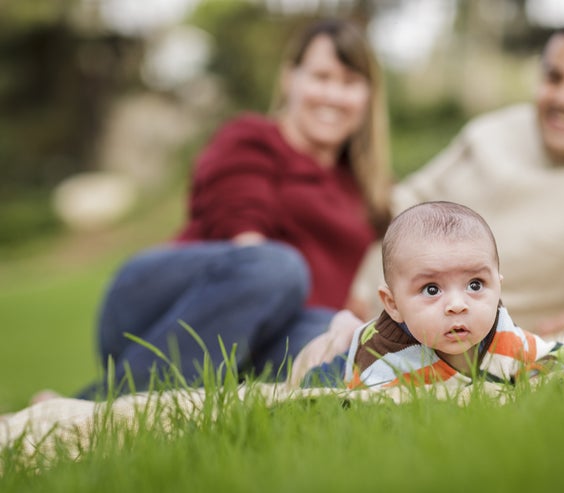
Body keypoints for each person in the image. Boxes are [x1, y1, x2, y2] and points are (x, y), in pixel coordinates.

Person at [74, 18, 393, 399]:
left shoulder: (365, 188)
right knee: (278, 266)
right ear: (290, 79)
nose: (332, 95)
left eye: (349, 83)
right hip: (164, 309)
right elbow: (247, 243)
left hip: (266, 336)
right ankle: (90, 406)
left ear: (368, 96)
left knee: (349, 344)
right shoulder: (252, 139)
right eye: (321, 77)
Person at [350, 18, 564, 337]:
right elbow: (405, 200)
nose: (562, 98)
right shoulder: (491, 132)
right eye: (553, 78)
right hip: (350, 287)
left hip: (426, 344)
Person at [291, 202, 564, 389]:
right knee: (309, 375)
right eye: (431, 290)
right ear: (393, 304)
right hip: (352, 356)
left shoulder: (505, 337)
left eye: (475, 285)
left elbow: (554, 362)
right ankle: (342, 334)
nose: (457, 306)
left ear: (498, 286)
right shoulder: (383, 361)